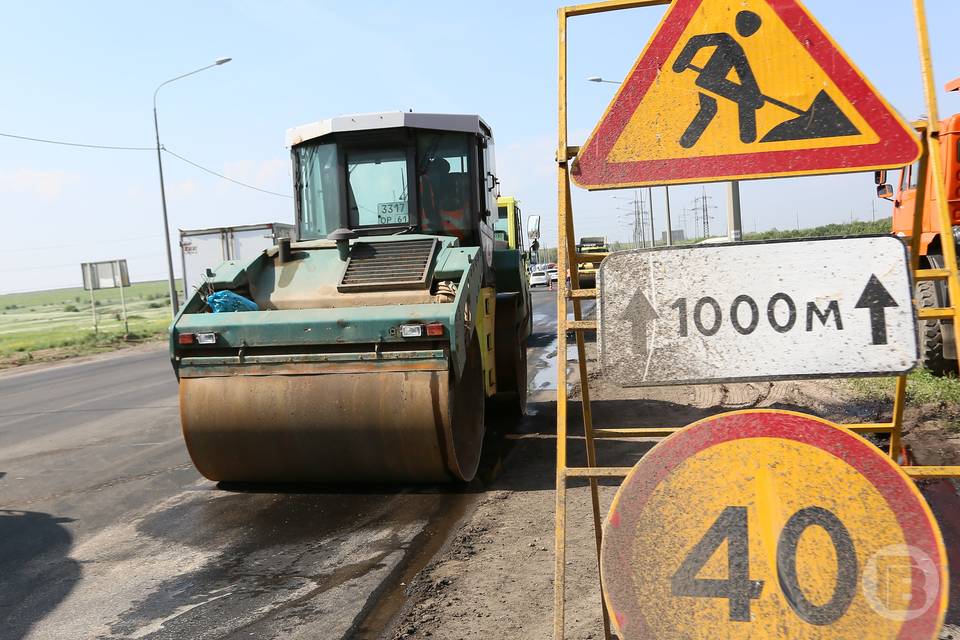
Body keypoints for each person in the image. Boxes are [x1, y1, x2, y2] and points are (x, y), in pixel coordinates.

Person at [672, 10, 765, 148]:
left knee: (710, 109)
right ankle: (747, 136)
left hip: (714, 82)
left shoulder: (738, 48)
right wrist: (680, 63)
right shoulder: (725, 39)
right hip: (710, 80)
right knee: (741, 100)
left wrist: (754, 94)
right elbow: (695, 41)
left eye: (751, 28)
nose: (748, 31)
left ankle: (746, 137)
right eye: (748, 26)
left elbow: (744, 74)